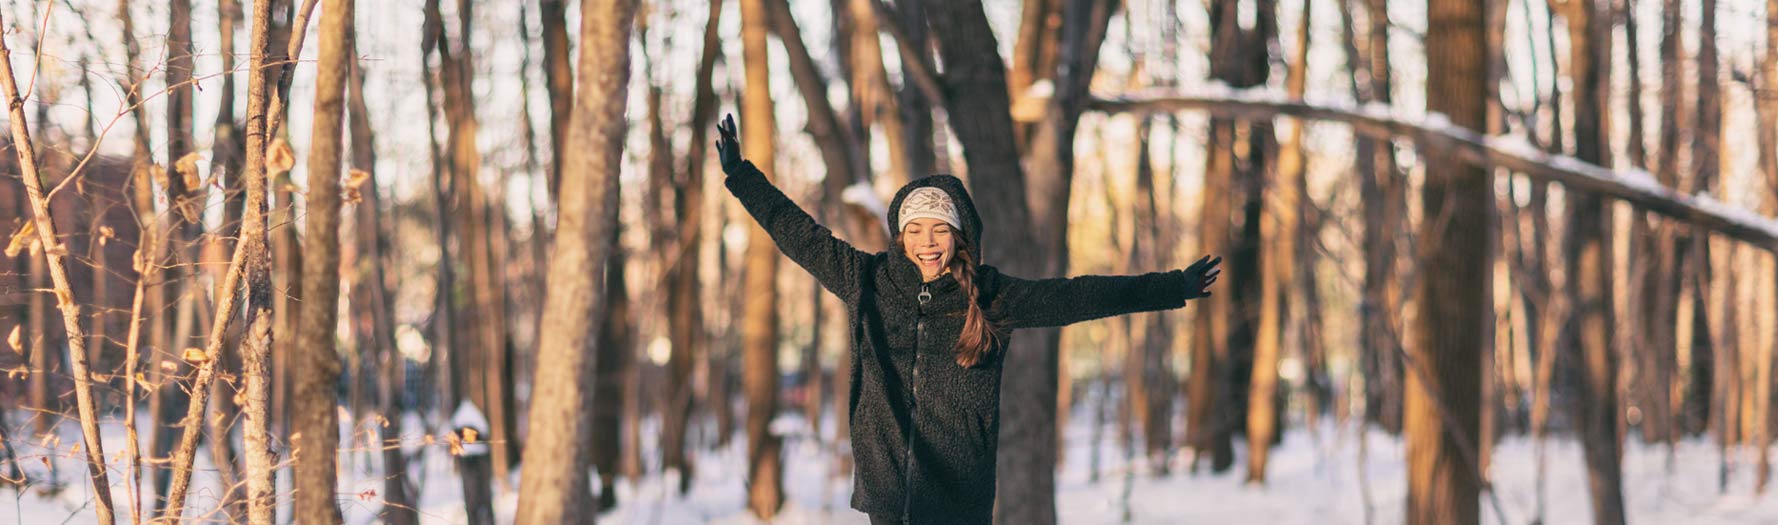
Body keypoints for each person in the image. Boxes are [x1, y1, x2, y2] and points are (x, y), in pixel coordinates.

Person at [715, 114, 1220, 524]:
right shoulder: (865, 281)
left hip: (958, 503)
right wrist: (741, 177)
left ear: (959, 237)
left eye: (940, 230)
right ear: (900, 234)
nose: (928, 243)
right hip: (888, 496)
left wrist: (1171, 286)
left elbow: (1076, 297)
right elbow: (799, 233)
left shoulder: (992, 296)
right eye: (916, 230)